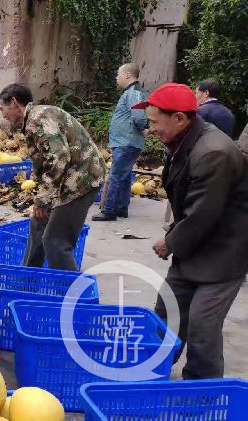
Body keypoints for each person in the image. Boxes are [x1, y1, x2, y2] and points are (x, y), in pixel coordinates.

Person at [136, 83, 248, 380]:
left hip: (225, 251)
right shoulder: (184, 142)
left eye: (154, 122)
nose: (151, 129)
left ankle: (202, 390)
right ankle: (152, 369)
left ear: (180, 119)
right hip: (196, 243)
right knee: (168, 309)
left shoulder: (213, 152)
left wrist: (170, 242)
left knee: (202, 324)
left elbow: (203, 213)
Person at [0, 83, 105, 271]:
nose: (3, 115)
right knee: (38, 223)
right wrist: (43, 199)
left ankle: (71, 295)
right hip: (67, 179)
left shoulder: (38, 118)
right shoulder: (34, 119)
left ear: (14, 103)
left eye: (2, 108)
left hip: (81, 180)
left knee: (55, 242)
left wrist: (43, 199)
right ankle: (27, 279)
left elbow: (59, 158)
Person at [93, 63, 148, 221]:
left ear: (127, 75)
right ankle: (120, 208)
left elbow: (138, 116)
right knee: (123, 176)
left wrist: (145, 127)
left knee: (116, 175)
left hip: (127, 141)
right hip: (126, 141)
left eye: (118, 74)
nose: (117, 77)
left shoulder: (134, 92)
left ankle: (109, 210)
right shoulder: (132, 92)